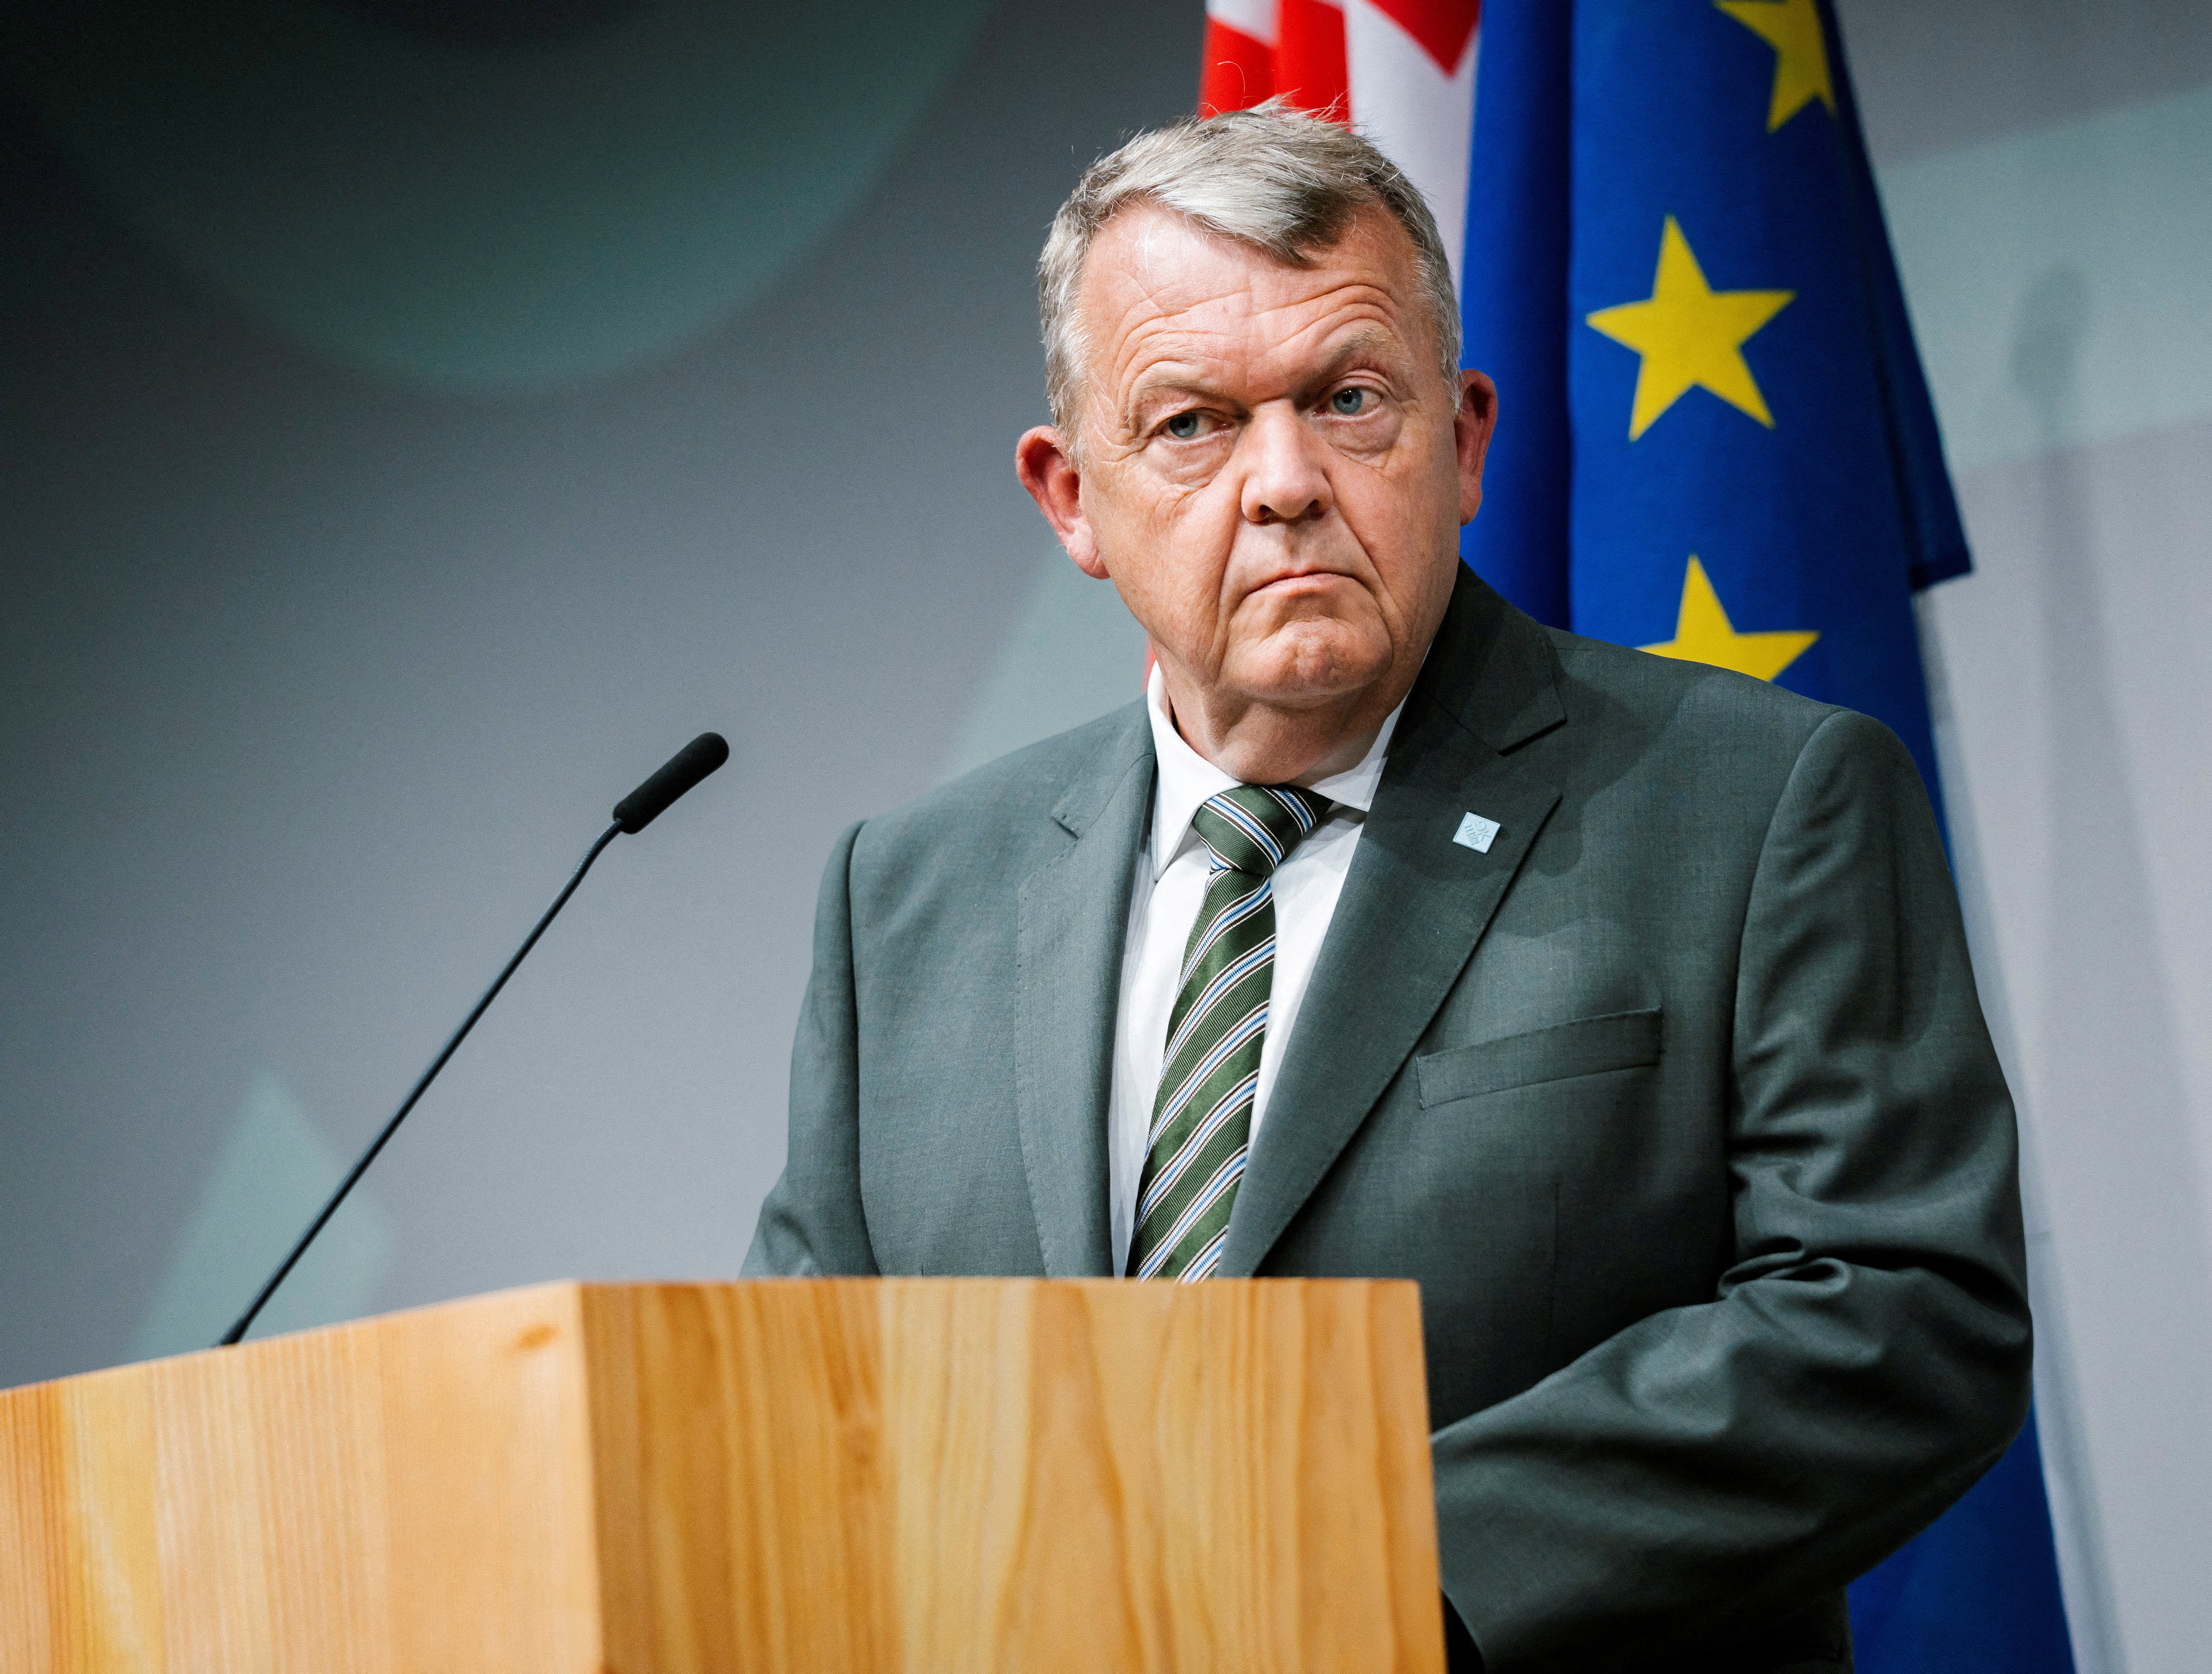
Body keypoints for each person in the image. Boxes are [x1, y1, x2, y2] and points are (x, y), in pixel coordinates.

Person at [745, 105, 2030, 1673]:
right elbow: (804, 1403)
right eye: (1193, 424)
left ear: (1466, 439)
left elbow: (1895, 1315)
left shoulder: (1755, 801)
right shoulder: (910, 901)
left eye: (1349, 400)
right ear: (1070, 498)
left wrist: (1363, 1565)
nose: (1283, 482)